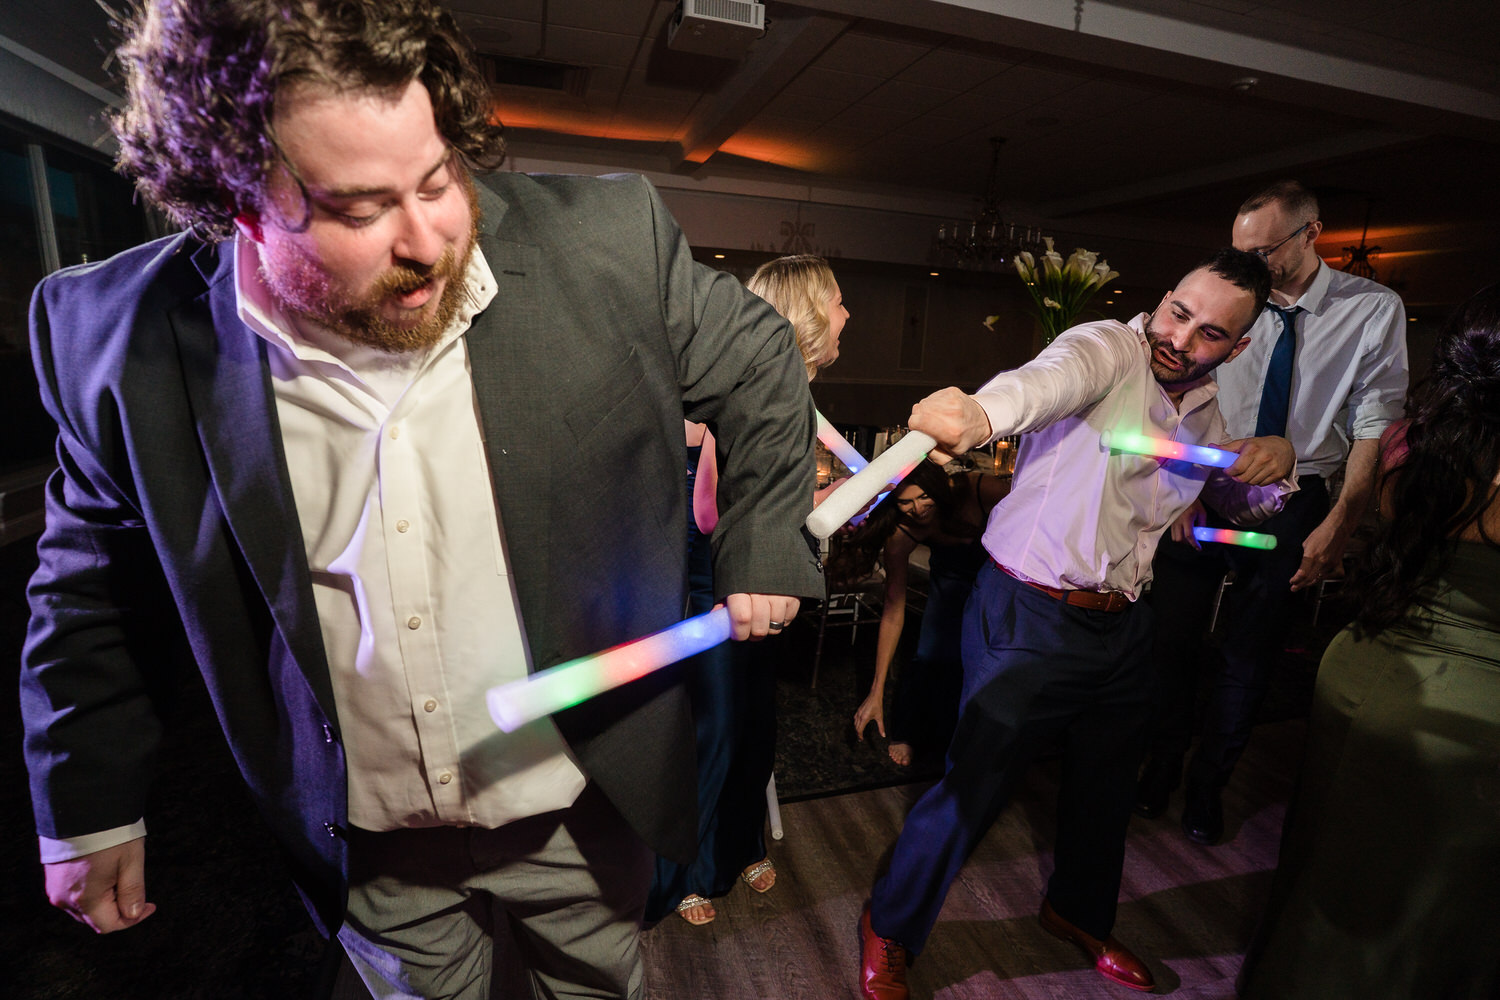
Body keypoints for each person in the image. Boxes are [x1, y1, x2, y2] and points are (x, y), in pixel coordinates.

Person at [19, 3, 822, 998]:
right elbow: (90, 587)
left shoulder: (610, 243)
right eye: (360, 208)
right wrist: (86, 805)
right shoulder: (110, 340)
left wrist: (763, 540)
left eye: (438, 179)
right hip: (370, 841)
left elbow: (758, 360)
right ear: (236, 196)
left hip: (585, 798)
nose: (430, 237)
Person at [856, 249, 1298, 1000]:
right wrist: (980, 411)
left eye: (1211, 334)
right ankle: (889, 926)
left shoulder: (1205, 405)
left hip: (1125, 621)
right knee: (975, 786)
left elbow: (1236, 505)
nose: (1182, 339)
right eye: (1178, 313)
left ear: (1239, 346)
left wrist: (1276, 467)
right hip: (1027, 610)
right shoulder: (1106, 348)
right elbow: (1046, 380)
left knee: (1105, 786)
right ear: (1162, 299)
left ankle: (1076, 912)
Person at [1237, 283, 1500, 999]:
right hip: (1471, 710)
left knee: (1335, 867)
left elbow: (1383, 520)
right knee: (1428, 912)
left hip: (1371, 663)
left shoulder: (1416, 445)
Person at [1137, 181, 1410, 846]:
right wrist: (1183, 483)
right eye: (1239, 250)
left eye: (1264, 251)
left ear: (1312, 233)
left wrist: (1338, 526)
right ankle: (1158, 770)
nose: (1249, 264)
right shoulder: (1230, 303)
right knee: (1170, 641)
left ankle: (1209, 789)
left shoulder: (1372, 309)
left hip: (1299, 499)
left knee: (1248, 654)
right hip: (1198, 483)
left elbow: (1375, 423)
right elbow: (1172, 389)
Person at [648, 255, 847, 927]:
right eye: (839, 302)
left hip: (765, 589)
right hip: (711, 589)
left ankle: (740, 845)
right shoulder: (734, 394)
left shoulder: (804, 398)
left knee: (757, 725)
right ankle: (689, 872)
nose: (849, 314)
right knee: (715, 732)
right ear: (810, 313)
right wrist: (820, 498)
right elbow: (710, 514)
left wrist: (830, 497)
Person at [843, 460, 1006, 766]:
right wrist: (875, 690)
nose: (917, 509)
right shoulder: (901, 535)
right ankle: (908, 731)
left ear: (940, 489)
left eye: (924, 497)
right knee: (929, 654)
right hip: (950, 580)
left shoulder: (978, 488)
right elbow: (893, 611)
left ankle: (970, 739)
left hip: (997, 576)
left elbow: (1038, 508)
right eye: (905, 502)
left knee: (984, 660)